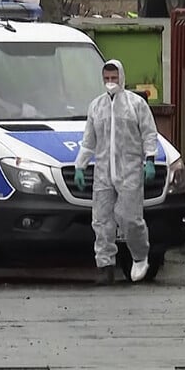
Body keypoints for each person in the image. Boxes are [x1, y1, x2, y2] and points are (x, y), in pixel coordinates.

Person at [74, 59, 158, 284]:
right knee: (101, 221)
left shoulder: (136, 104)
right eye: (107, 79)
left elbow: (149, 133)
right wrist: (80, 166)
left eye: (114, 78)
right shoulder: (96, 106)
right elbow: (89, 141)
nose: (110, 83)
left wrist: (149, 159)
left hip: (129, 169)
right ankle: (105, 266)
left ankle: (140, 256)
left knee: (130, 218)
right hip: (103, 171)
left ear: (122, 77)